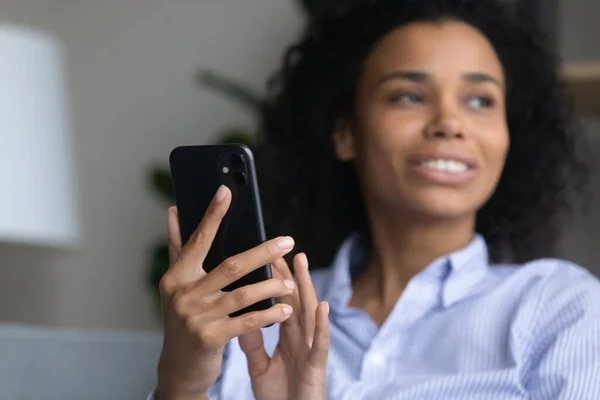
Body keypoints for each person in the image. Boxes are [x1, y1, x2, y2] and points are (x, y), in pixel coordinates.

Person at [151, 0, 600, 399]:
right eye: (409, 95)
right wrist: (182, 386)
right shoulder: (254, 313)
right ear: (345, 133)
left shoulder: (559, 307)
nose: (449, 122)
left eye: (480, 101)